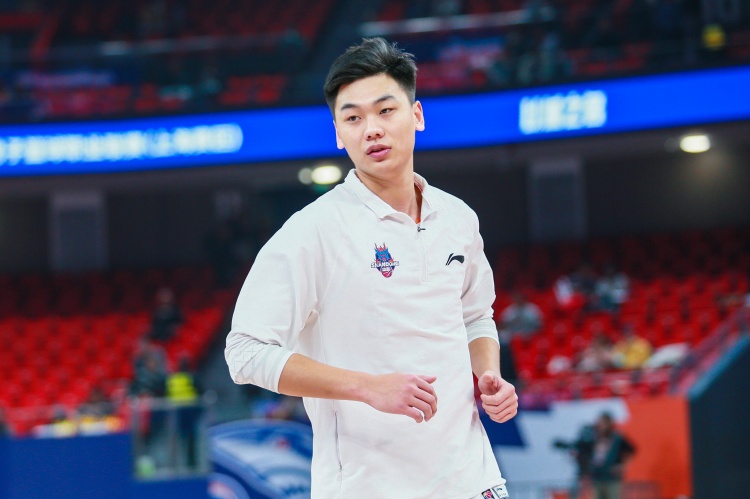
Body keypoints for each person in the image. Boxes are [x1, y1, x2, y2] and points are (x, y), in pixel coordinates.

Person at [225, 37, 517, 498]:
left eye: (385, 111)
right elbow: (244, 352)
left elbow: (476, 316)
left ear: (416, 115)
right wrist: (367, 388)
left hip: (473, 480)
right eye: (353, 118)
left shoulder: (458, 218)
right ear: (338, 134)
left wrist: (488, 374)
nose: (372, 130)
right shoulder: (313, 231)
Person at [589, 413, 635, 499]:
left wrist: (623, 466)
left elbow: (631, 451)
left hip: (612, 477)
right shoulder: (594, 437)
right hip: (597, 476)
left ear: (609, 424)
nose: (601, 426)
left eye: (603, 423)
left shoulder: (617, 438)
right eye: (599, 423)